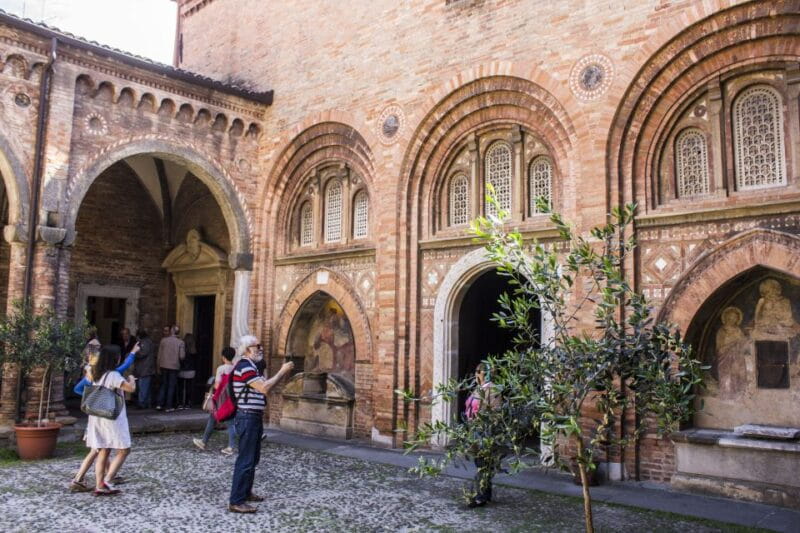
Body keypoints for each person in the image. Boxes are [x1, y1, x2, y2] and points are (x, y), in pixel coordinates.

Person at [228, 335, 294, 514]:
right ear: (248, 349)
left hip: (253, 417)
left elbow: (264, 387)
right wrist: (282, 372)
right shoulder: (244, 367)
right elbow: (264, 388)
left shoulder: (252, 367)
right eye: (258, 346)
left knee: (253, 458)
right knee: (246, 459)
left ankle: (246, 492)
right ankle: (236, 500)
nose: (261, 349)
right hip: (247, 417)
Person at [70, 343, 140, 493]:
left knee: (103, 450)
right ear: (115, 359)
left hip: (97, 416)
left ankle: (100, 485)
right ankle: (107, 480)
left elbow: (81, 388)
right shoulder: (113, 375)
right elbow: (131, 389)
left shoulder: (95, 374)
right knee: (124, 450)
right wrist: (132, 379)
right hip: (112, 417)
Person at [464, 362, 500, 508]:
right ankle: (486, 493)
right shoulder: (479, 388)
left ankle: (481, 496)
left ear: (483, 373)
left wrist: (486, 428)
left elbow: (497, 413)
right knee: (481, 463)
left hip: (485, 432)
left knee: (483, 465)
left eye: (477, 371)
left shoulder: (493, 390)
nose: (475, 374)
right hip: (475, 431)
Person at [193, 347, 237, 455]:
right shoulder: (235, 368)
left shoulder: (221, 368)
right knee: (216, 419)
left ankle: (230, 447)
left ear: (223, 357)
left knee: (228, 422)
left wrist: (212, 387)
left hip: (221, 399)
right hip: (231, 398)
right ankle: (204, 441)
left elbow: (217, 384)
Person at [156, 325, 185, 412]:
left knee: (163, 384)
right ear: (178, 332)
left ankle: (159, 404)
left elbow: (159, 355)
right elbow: (182, 356)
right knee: (171, 386)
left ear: (171, 331)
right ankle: (168, 406)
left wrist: (158, 366)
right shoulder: (181, 342)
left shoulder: (163, 341)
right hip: (174, 366)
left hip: (163, 365)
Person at [133, 328, 156, 409]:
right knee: (146, 387)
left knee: (143, 386)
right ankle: (147, 403)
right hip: (147, 368)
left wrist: (134, 353)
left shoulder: (144, 342)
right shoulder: (148, 341)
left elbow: (143, 353)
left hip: (144, 368)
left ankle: (141, 403)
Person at [178, 333, 197, 409]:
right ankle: (188, 403)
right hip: (191, 371)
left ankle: (180, 403)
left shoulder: (183, 349)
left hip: (182, 370)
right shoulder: (194, 351)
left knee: (181, 387)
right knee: (189, 387)